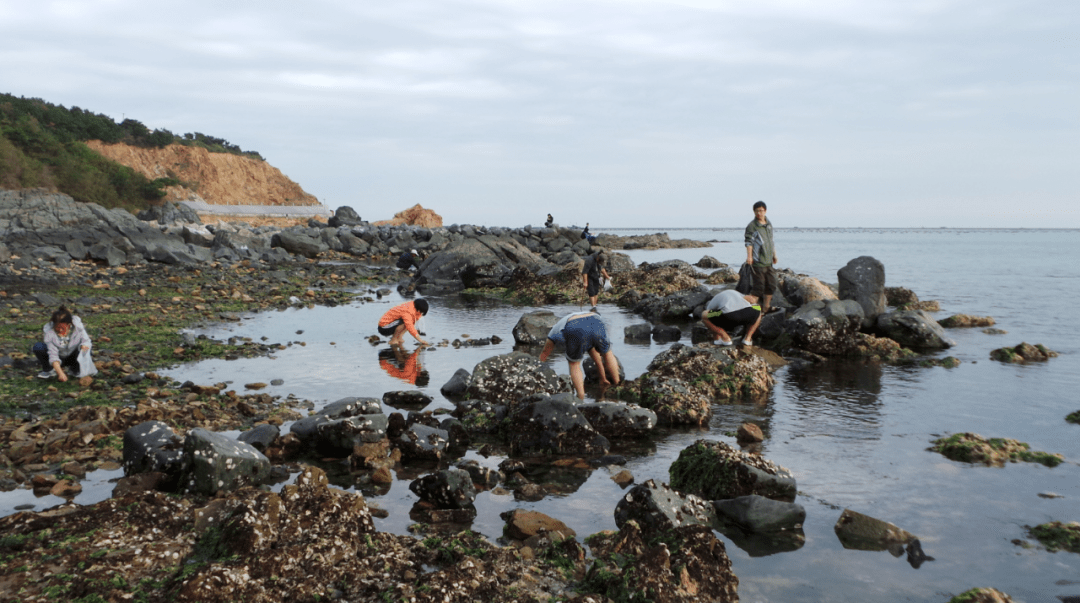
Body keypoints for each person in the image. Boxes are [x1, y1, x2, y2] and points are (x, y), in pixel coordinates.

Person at [539, 310, 620, 400]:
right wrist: (602, 378)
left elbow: (544, 354)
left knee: (574, 364)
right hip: (596, 320)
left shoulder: (554, 331)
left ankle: (580, 398)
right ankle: (618, 385)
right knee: (608, 354)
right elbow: (595, 355)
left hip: (575, 325)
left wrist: (537, 368)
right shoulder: (572, 320)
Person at [32, 306, 92, 382]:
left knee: (86, 348)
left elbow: (86, 341)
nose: (60, 330)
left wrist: (84, 347)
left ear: (69, 325)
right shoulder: (49, 333)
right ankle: (49, 370)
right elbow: (52, 354)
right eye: (57, 327)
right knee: (39, 347)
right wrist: (60, 373)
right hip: (59, 357)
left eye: (63, 328)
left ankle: (75, 369)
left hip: (73, 356)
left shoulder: (78, 327)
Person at [745, 200, 778, 314]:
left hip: (768, 262)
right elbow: (749, 242)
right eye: (757, 211)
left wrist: (774, 255)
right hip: (758, 262)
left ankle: (766, 308)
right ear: (754, 212)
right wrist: (749, 257)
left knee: (771, 285)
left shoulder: (769, 225)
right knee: (758, 288)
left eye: (761, 210)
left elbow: (771, 241)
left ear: (765, 211)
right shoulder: (752, 226)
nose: (759, 213)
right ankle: (753, 311)